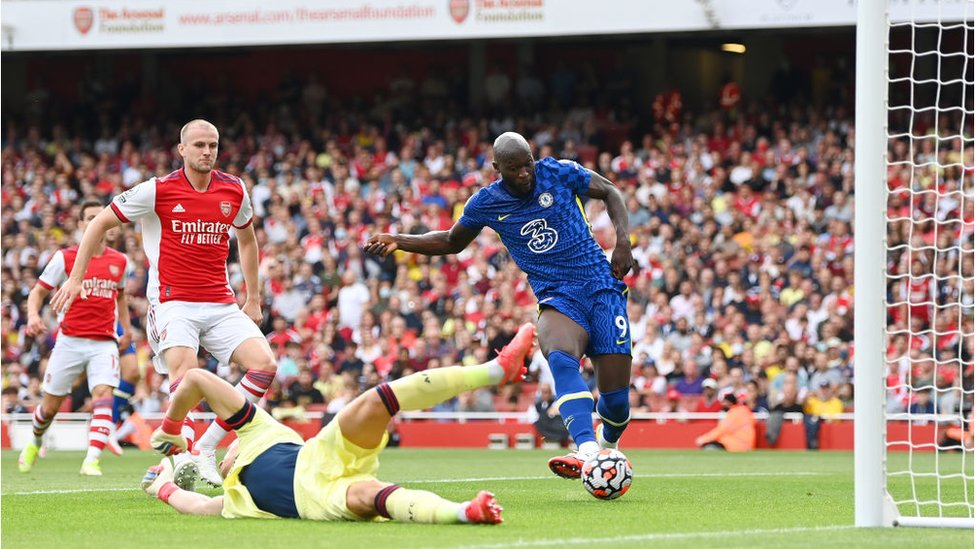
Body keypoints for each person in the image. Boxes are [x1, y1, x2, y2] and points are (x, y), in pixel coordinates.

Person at [365, 132, 636, 479]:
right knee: (559, 355)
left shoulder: (559, 172)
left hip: (601, 287)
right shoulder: (486, 203)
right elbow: (451, 241)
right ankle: (587, 450)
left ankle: (607, 440)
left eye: (528, 165)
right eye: (514, 168)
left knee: (616, 405)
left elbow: (610, 190)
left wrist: (623, 242)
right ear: (497, 168)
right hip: (557, 294)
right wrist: (399, 240)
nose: (524, 173)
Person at [49, 119, 278, 489]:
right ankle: (181, 456)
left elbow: (248, 240)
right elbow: (98, 224)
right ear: (182, 150)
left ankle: (204, 447)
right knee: (186, 375)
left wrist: (253, 298)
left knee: (265, 366)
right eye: (199, 145)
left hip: (220, 301)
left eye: (213, 145)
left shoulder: (234, 189)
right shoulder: (157, 190)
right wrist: (75, 278)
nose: (207, 151)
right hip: (173, 301)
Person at [141, 323, 536, 523]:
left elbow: (196, 380)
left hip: (322, 454)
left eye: (227, 449)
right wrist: (163, 487)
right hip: (318, 500)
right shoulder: (234, 500)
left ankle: (494, 370)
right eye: (224, 457)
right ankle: (466, 512)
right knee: (370, 496)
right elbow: (196, 505)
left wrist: (172, 427)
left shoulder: (260, 431)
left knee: (372, 402)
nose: (226, 456)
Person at [19, 200, 133, 476]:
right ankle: (34, 441)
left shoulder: (120, 261)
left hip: (104, 340)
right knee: (49, 407)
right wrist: (34, 315)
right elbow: (37, 292)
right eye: (90, 217)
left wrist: (126, 329)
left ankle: (91, 460)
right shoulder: (65, 258)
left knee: (104, 394)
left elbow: (120, 297)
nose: (96, 222)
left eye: (100, 217)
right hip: (69, 340)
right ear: (81, 224)